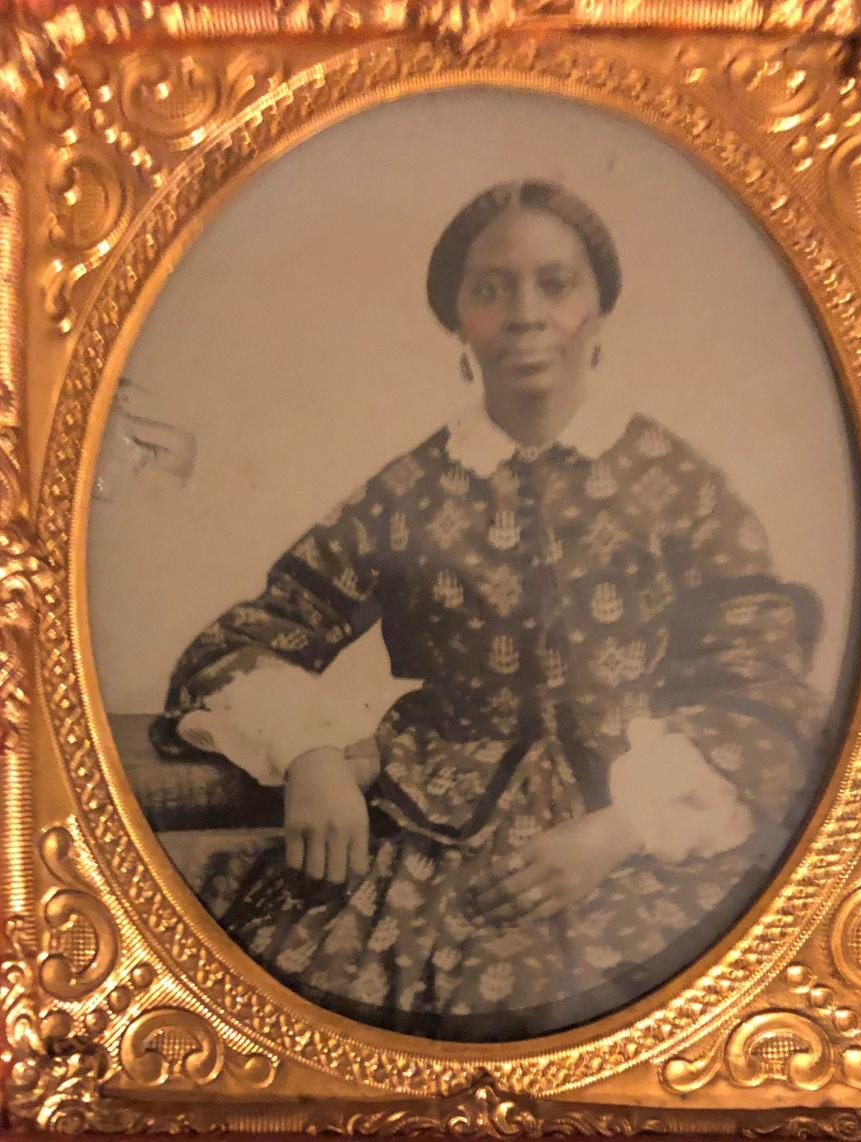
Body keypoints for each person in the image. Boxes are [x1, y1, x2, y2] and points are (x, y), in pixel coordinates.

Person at [150, 180, 826, 1041]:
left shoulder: (681, 488)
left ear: (599, 309)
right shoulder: (410, 491)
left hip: (639, 842)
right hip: (427, 842)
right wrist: (311, 752)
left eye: (556, 283)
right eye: (490, 288)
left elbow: (762, 693)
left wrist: (621, 832)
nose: (525, 315)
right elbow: (246, 640)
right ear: (457, 321)